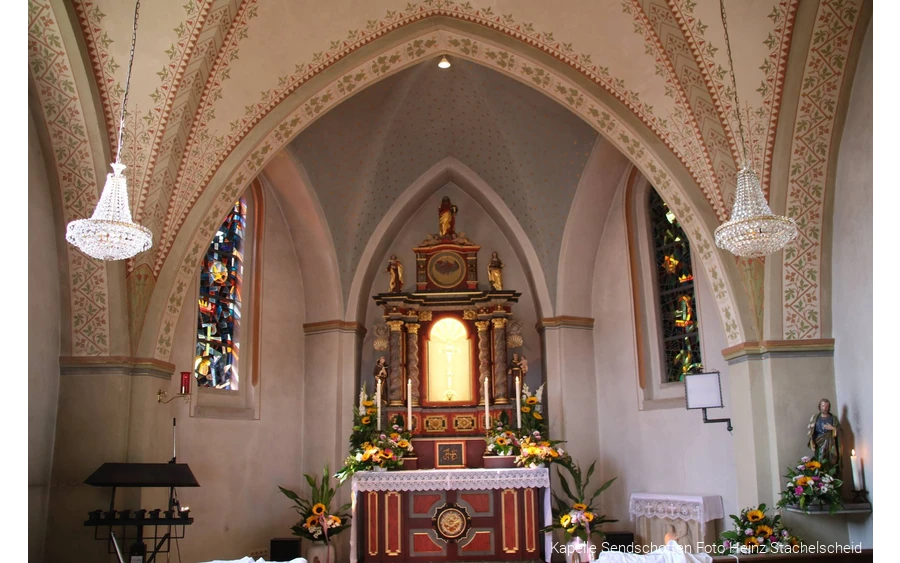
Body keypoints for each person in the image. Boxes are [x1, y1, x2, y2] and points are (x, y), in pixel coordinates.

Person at [807, 398, 842, 473]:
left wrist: (832, 428)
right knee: (820, 460)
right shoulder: (815, 418)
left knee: (831, 460)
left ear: (829, 407)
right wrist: (812, 441)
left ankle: (831, 476)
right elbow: (811, 432)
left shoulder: (833, 418)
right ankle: (821, 478)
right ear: (819, 406)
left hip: (831, 443)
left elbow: (840, 431)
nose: (825, 408)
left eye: (826, 406)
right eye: (823, 406)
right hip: (819, 442)